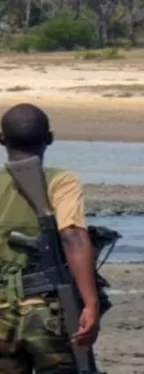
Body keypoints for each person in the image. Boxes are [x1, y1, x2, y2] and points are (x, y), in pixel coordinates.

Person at [0, 103, 101, 373]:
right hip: (47, 311)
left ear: (1, 139)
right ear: (49, 138)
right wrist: (91, 303)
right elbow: (73, 237)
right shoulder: (61, 181)